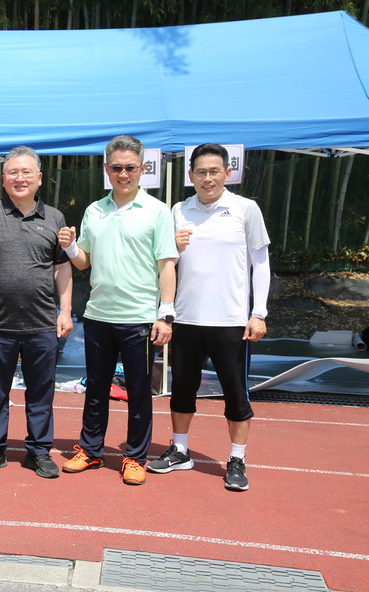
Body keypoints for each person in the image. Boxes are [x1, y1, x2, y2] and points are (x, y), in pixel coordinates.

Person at [146, 143, 270, 491]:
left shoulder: (246, 209)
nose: (208, 178)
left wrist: (258, 313)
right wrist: (166, 310)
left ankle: (237, 459)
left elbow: (261, 264)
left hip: (231, 321)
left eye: (215, 171)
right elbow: (166, 261)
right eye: (201, 172)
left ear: (227, 173)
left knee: (235, 394)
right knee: (182, 390)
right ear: (190, 176)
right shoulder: (179, 210)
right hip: (186, 319)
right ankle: (180, 450)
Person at [57, 135, 178, 486]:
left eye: (130, 167)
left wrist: (165, 313)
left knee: (139, 391)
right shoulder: (94, 210)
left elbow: (166, 265)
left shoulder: (157, 211)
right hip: (98, 316)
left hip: (140, 318)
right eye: (116, 167)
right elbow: (83, 262)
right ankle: (91, 450)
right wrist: (69, 247)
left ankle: (136, 457)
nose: (123, 174)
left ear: (142, 169)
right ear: (106, 169)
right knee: (96, 387)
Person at [0, 146, 73, 479]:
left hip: (41, 323)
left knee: (41, 393)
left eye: (27, 172)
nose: (20, 178)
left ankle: (39, 451)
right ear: (3, 178)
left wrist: (65, 311)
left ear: (39, 178)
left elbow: (62, 268)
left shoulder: (55, 217)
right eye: (13, 173)